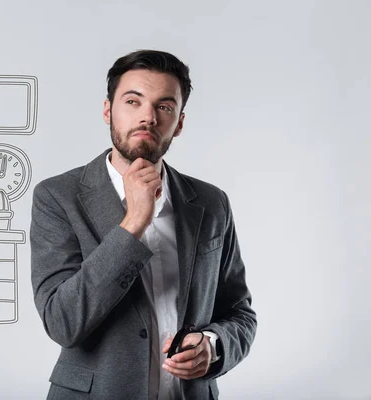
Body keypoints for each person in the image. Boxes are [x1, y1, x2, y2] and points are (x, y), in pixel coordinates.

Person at [30, 49, 256, 399]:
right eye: (133, 101)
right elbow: (63, 322)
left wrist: (213, 345)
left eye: (164, 107)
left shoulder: (211, 203)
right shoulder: (57, 197)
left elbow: (239, 313)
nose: (147, 117)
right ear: (108, 110)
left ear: (179, 122)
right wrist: (134, 222)